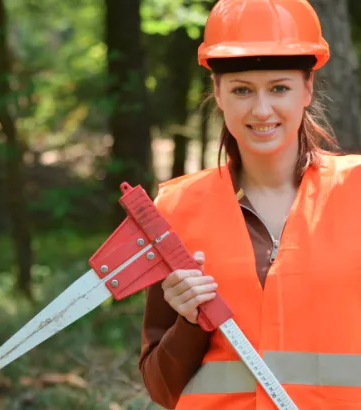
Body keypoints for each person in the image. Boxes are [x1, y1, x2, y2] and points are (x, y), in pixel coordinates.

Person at [138, 0, 361, 409]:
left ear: (307, 89)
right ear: (218, 94)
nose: (261, 110)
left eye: (279, 88)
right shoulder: (176, 208)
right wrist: (190, 321)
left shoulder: (357, 192)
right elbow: (161, 388)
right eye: (242, 90)